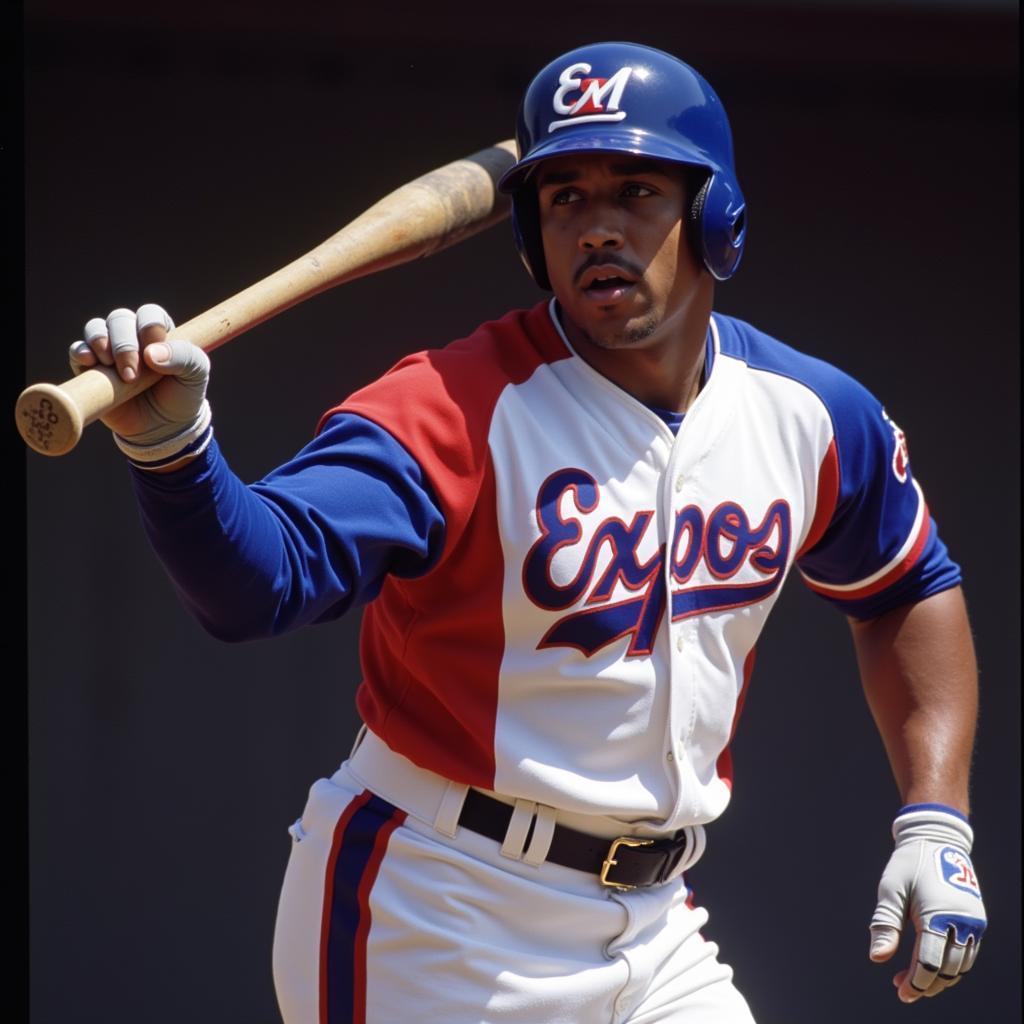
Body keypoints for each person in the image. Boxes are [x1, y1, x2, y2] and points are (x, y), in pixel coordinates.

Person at [68, 42, 985, 1024]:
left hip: (656, 919)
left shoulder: (808, 412)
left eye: (634, 189)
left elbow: (902, 585)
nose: (598, 226)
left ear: (715, 217)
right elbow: (259, 585)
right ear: (530, 235)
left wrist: (936, 819)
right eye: (564, 197)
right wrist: (177, 456)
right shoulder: (449, 409)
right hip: (439, 908)